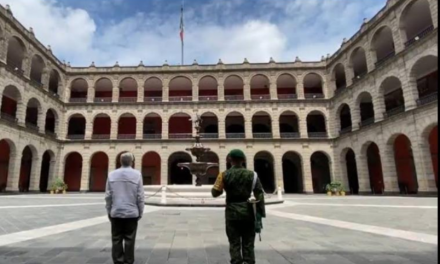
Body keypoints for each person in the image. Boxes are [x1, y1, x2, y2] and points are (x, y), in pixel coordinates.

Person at [212, 149, 266, 264]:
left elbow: (215, 193)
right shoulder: (253, 175)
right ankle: (249, 261)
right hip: (248, 213)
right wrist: (261, 213)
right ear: (243, 160)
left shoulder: (224, 175)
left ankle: (236, 261)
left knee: (234, 242)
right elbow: (259, 194)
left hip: (232, 213)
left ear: (230, 160)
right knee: (248, 243)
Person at [105, 152, 145, 264]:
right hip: (132, 213)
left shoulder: (111, 174)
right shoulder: (137, 175)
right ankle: (128, 261)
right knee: (130, 239)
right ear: (132, 162)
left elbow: (108, 196)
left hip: (116, 212)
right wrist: (140, 211)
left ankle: (118, 261)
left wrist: (109, 210)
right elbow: (140, 196)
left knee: (116, 239)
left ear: (120, 161)